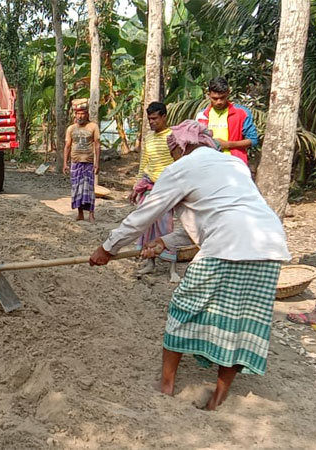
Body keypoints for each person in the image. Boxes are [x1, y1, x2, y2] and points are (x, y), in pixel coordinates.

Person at [89, 120, 290, 411]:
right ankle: (217, 400)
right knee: (242, 322)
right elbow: (212, 215)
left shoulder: (181, 168)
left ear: (180, 148)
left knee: (183, 307)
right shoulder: (234, 166)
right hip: (269, 245)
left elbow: (145, 214)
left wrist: (107, 248)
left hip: (227, 245)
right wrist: (164, 242)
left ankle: (166, 386)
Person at [131, 102, 177, 279]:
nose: (152, 122)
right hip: (149, 186)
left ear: (164, 117)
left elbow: (178, 161)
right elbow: (144, 163)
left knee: (166, 227)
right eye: (149, 119)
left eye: (155, 118)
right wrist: (137, 186)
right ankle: (150, 263)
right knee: (147, 226)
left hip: (167, 188)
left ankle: (172, 269)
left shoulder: (173, 136)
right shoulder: (148, 137)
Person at [196, 77, 258, 165]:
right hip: (208, 163)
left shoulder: (242, 113)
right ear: (208, 95)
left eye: (222, 97)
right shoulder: (201, 115)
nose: (219, 102)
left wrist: (228, 145)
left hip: (235, 164)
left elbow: (253, 140)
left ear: (228, 93)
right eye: (215, 98)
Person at [63, 99, 100, 222]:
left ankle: (91, 214)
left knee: (89, 189)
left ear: (87, 114)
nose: (80, 116)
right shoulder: (71, 129)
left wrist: (97, 163)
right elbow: (67, 146)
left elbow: (97, 145)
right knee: (77, 189)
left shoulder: (93, 127)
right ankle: (80, 214)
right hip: (75, 162)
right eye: (78, 113)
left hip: (88, 163)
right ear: (75, 115)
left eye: (82, 113)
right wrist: (65, 163)